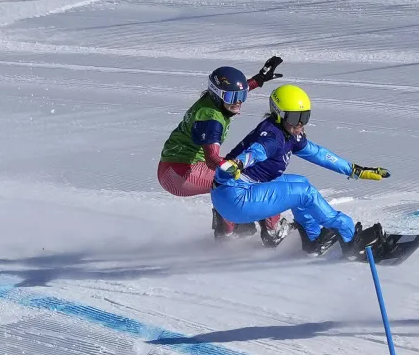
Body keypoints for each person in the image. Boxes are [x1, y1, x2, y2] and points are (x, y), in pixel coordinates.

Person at [212, 83, 391, 257]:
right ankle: (350, 241)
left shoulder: (288, 132)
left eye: (304, 117)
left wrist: (353, 170)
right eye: (294, 117)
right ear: (279, 114)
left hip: (237, 191)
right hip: (235, 198)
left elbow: (318, 153)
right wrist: (238, 163)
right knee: (304, 192)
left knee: (300, 182)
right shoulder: (273, 138)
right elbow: (256, 152)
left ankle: (313, 240)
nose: (300, 124)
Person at [158, 57, 284, 243]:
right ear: (217, 95)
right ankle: (270, 231)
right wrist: (240, 167)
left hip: (175, 169)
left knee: (236, 177)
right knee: (251, 177)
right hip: (179, 174)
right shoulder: (212, 120)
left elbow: (234, 92)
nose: (238, 103)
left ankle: (232, 225)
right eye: (233, 98)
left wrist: (259, 79)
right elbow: (212, 159)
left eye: (242, 97)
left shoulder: (214, 101)